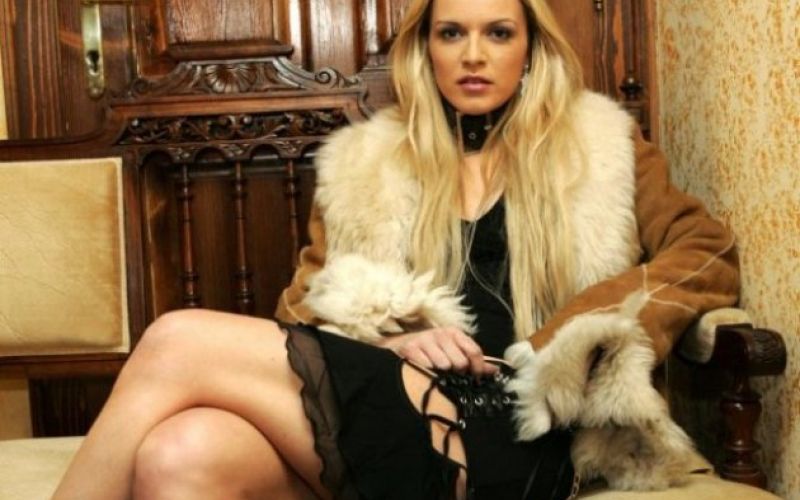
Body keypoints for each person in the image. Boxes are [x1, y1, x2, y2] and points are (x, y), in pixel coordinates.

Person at [52, 0, 739, 498]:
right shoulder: (367, 164)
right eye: (452, 33)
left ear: (530, 49)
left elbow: (707, 251)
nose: (473, 54)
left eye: (498, 33)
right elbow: (303, 311)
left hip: (525, 425)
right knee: (179, 453)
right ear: (426, 49)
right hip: (405, 407)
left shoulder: (603, 146)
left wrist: (569, 337)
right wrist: (391, 340)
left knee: (175, 340)